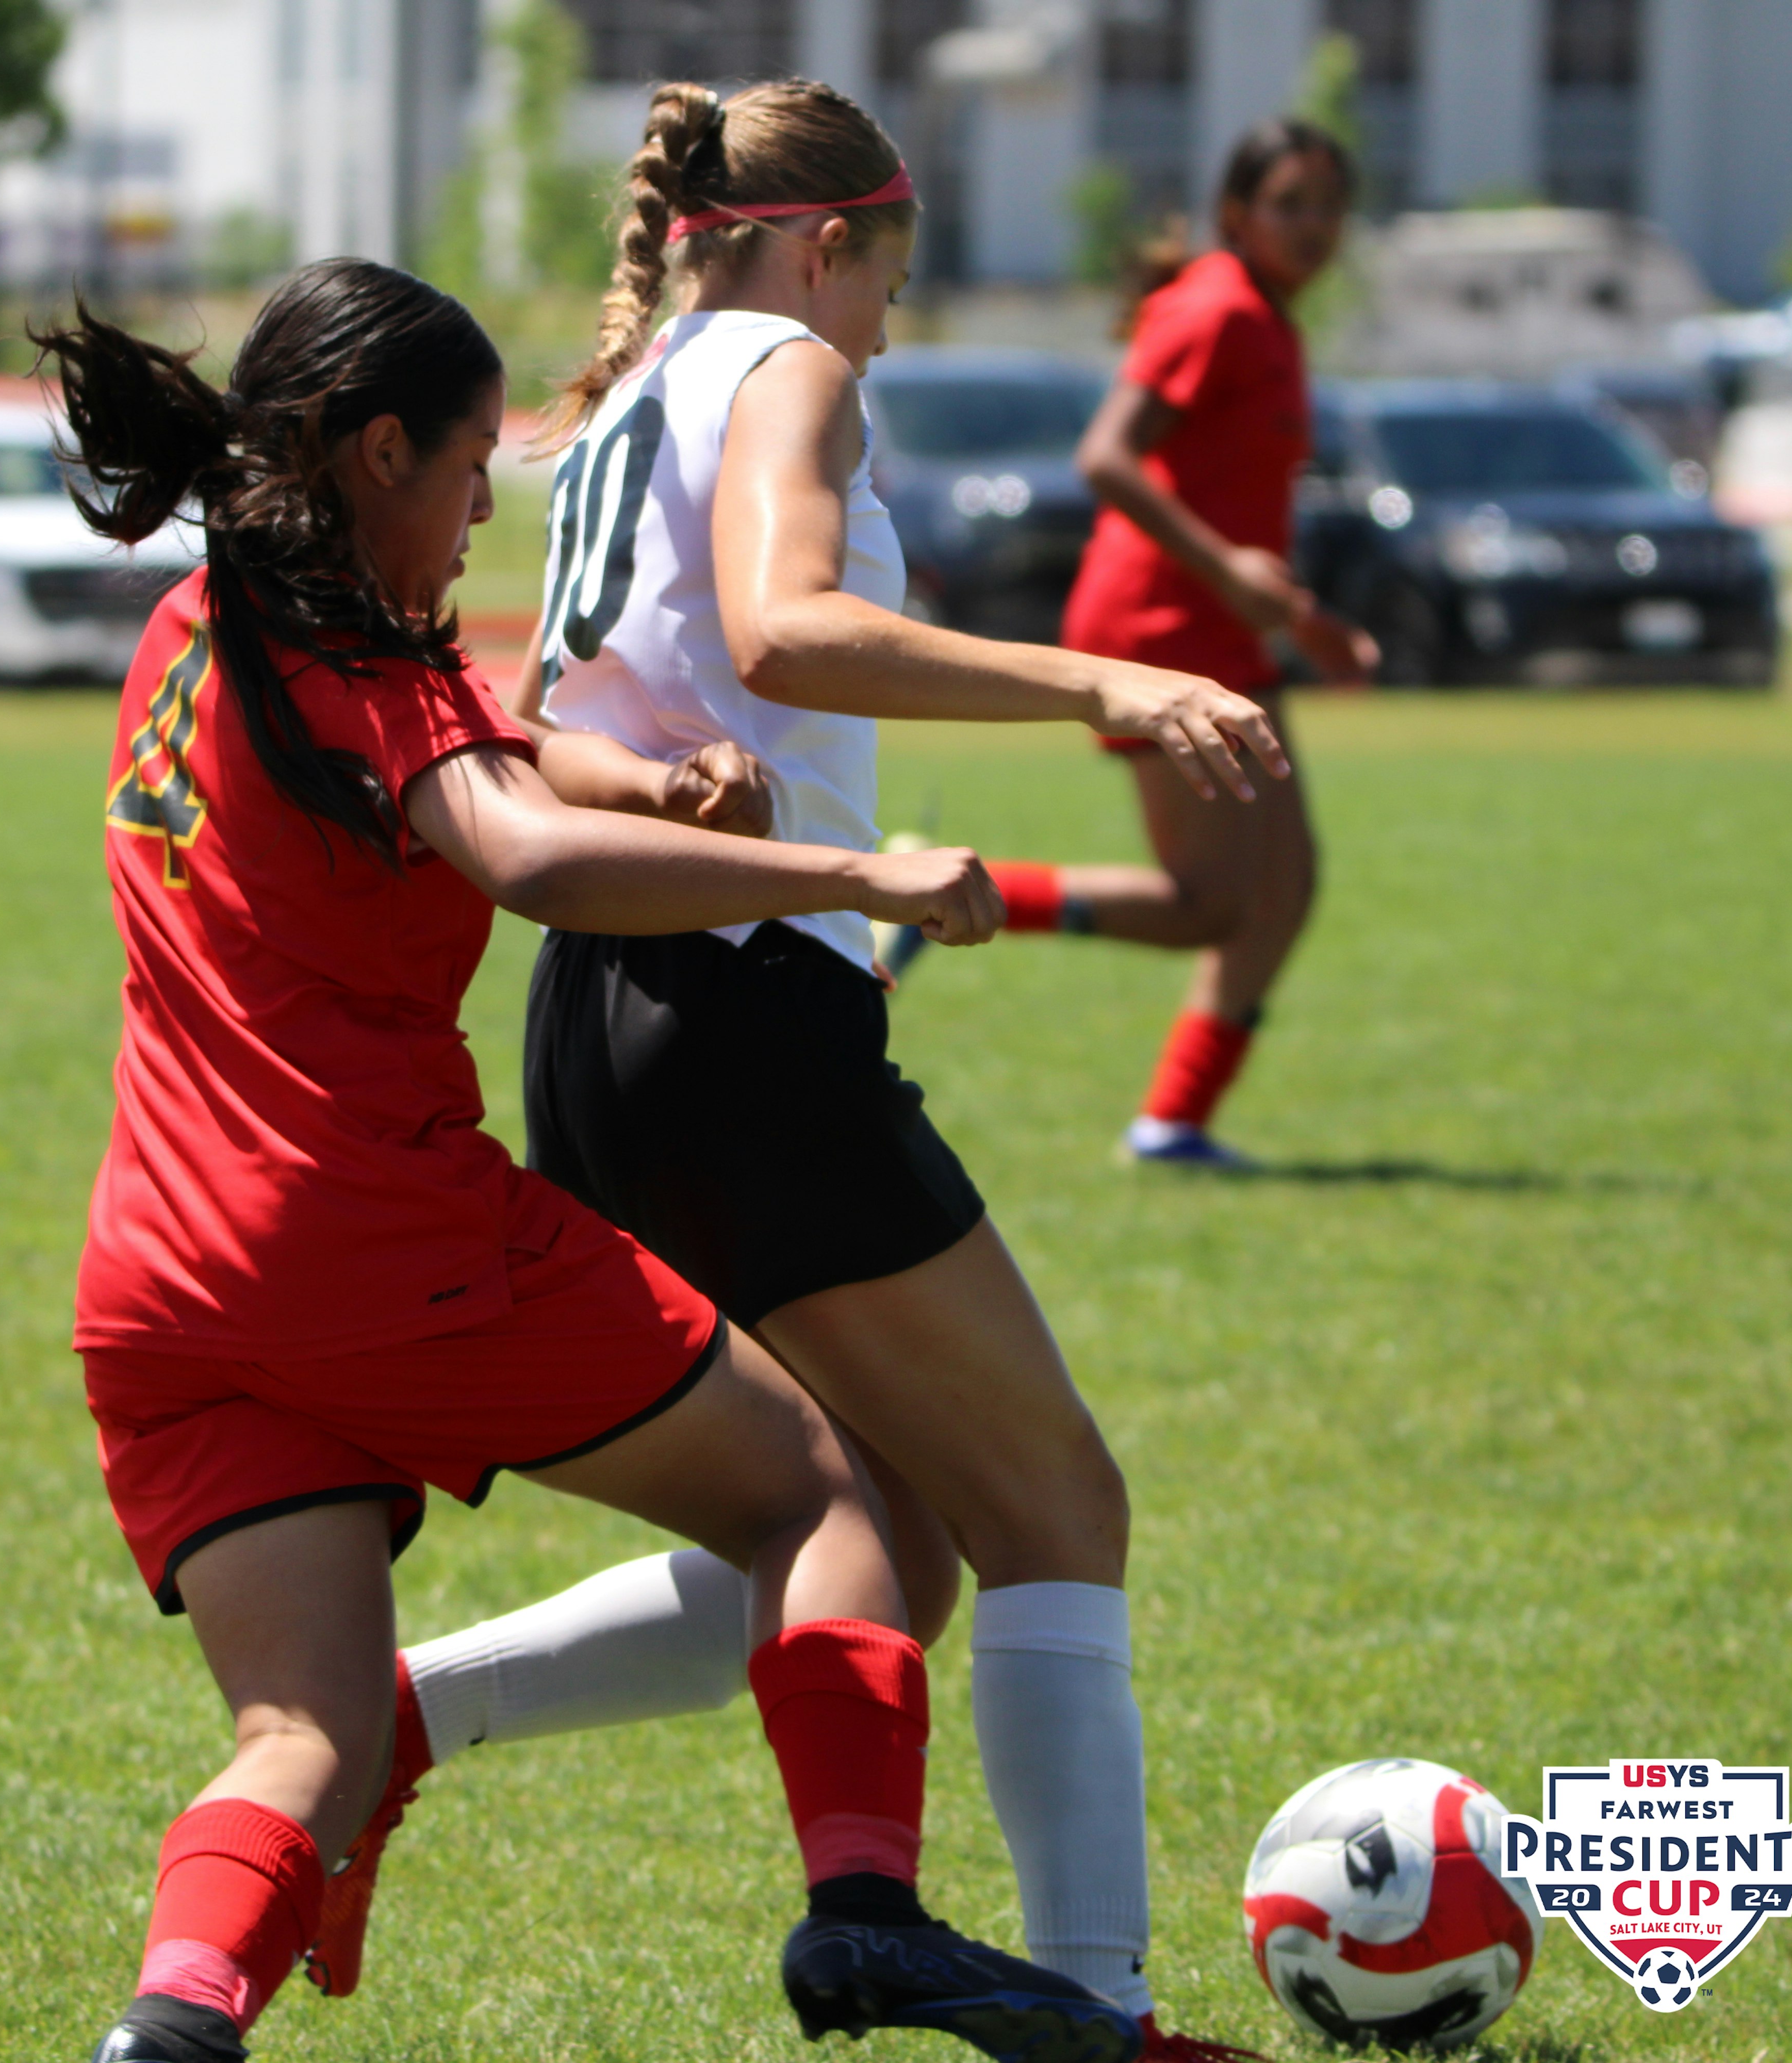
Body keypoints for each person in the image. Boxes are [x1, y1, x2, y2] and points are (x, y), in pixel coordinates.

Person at [42, 258, 1140, 2063]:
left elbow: (483, 749)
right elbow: (523, 856)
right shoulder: (363, 666)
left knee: (303, 1734)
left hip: (163, 1288)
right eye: (471, 464)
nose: (486, 508)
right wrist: (850, 871)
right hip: (375, 1235)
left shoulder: (201, 626)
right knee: (827, 1504)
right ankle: (866, 1910)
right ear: (379, 452)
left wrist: (644, 778)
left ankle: (170, 2032)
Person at [325, 83, 1284, 2063]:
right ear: (826, 244)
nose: (883, 333)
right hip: (743, 1009)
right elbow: (787, 626)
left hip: (607, 1012)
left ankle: (399, 1714)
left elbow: (538, 712)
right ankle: (1103, 2014)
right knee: (1057, 1503)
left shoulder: (626, 396)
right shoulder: (784, 365)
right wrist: (1109, 678)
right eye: (891, 288)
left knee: (880, 1544)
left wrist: (668, 781)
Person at [897, 122, 1373, 1168]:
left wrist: (1306, 621)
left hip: (1223, 629)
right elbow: (1107, 458)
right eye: (1291, 203)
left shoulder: (1269, 317)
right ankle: (936, 889)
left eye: (1330, 206)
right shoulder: (1217, 308)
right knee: (1208, 907)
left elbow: (1235, 512)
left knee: (1284, 890)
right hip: (1163, 627)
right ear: (1237, 214)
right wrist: (1231, 572)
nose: (1315, 226)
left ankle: (1174, 1122)